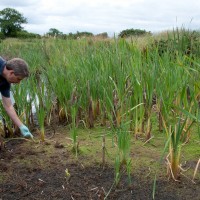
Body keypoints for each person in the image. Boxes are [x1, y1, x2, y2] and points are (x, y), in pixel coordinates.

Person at [0, 56, 33, 138]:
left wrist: (21, 126)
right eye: (18, 79)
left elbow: (8, 106)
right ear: (11, 72)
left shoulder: (5, 82)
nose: (18, 83)